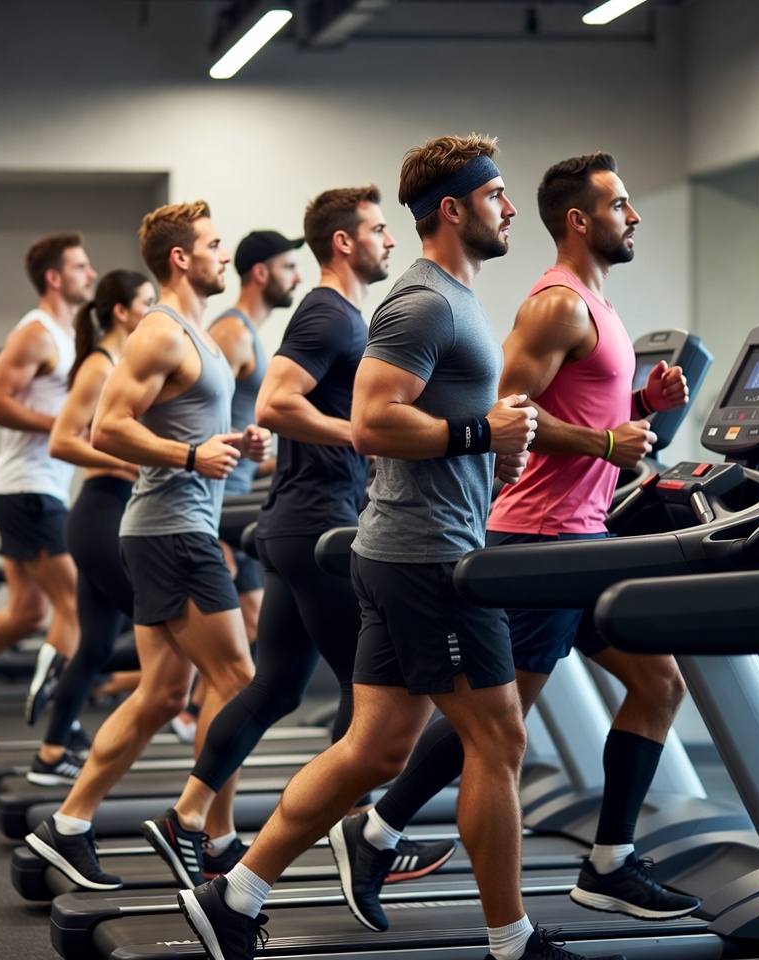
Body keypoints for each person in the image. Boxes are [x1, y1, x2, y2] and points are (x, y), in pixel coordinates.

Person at [177, 136, 622, 960]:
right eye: (494, 196)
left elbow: (443, 424)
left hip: (406, 549)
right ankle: (513, 941)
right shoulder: (421, 303)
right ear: (452, 209)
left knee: (374, 748)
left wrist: (498, 443)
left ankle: (233, 895)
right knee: (500, 740)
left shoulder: (458, 297)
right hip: (425, 560)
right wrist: (475, 433)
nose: (510, 207)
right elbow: (375, 421)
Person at [328, 152, 700, 927]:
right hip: (536, 540)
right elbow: (509, 416)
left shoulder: (600, 308)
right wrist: (602, 446)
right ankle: (378, 831)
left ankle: (610, 862)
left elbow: (577, 410)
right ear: (580, 219)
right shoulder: (553, 307)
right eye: (621, 204)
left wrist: (640, 400)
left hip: (582, 538)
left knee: (657, 685)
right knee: (496, 726)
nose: (633, 217)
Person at [144, 186, 454, 889]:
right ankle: (361, 836)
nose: (390, 240)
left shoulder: (343, 315)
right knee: (374, 692)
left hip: (294, 524)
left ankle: (184, 817)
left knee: (277, 686)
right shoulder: (328, 313)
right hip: (319, 525)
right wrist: (362, 432)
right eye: (378, 230)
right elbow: (277, 401)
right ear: (343, 242)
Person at [24, 201, 269, 890]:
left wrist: (241, 445)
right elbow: (105, 428)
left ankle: (67, 826)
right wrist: (191, 456)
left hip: (171, 529)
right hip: (172, 533)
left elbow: (188, 424)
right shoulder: (161, 332)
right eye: (215, 246)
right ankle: (202, 829)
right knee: (241, 682)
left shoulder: (202, 336)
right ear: (181, 259)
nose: (224, 255)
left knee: (164, 693)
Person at [0, 233, 95, 723]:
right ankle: (59, 730)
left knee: (25, 614)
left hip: (29, 488)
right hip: (28, 488)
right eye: (80, 267)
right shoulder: (37, 333)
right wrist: (62, 426)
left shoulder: (68, 336)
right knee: (76, 605)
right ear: (54, 277)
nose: (90, 275)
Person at [169, 231, 304, 745]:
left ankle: (195, 719)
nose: (296, 275)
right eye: (289, 266)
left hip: (242, 496)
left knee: (247, 638)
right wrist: (217, 526)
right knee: (248, 638)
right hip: (223, 507)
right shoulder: (232, 333)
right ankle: (200, 734)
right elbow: (200, 427)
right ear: (261, 273)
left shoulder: (251, 333)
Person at [26, 269, 156, 785]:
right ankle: (60, 673)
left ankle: (52, 753)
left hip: (110, 513)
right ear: (121, 312)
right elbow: (61, 440)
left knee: (99, 644)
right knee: (161, 621)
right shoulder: (99, 367)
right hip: (100, 511)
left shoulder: (121, 364)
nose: (153, 311)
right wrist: (124, 460)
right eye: (146, 302)